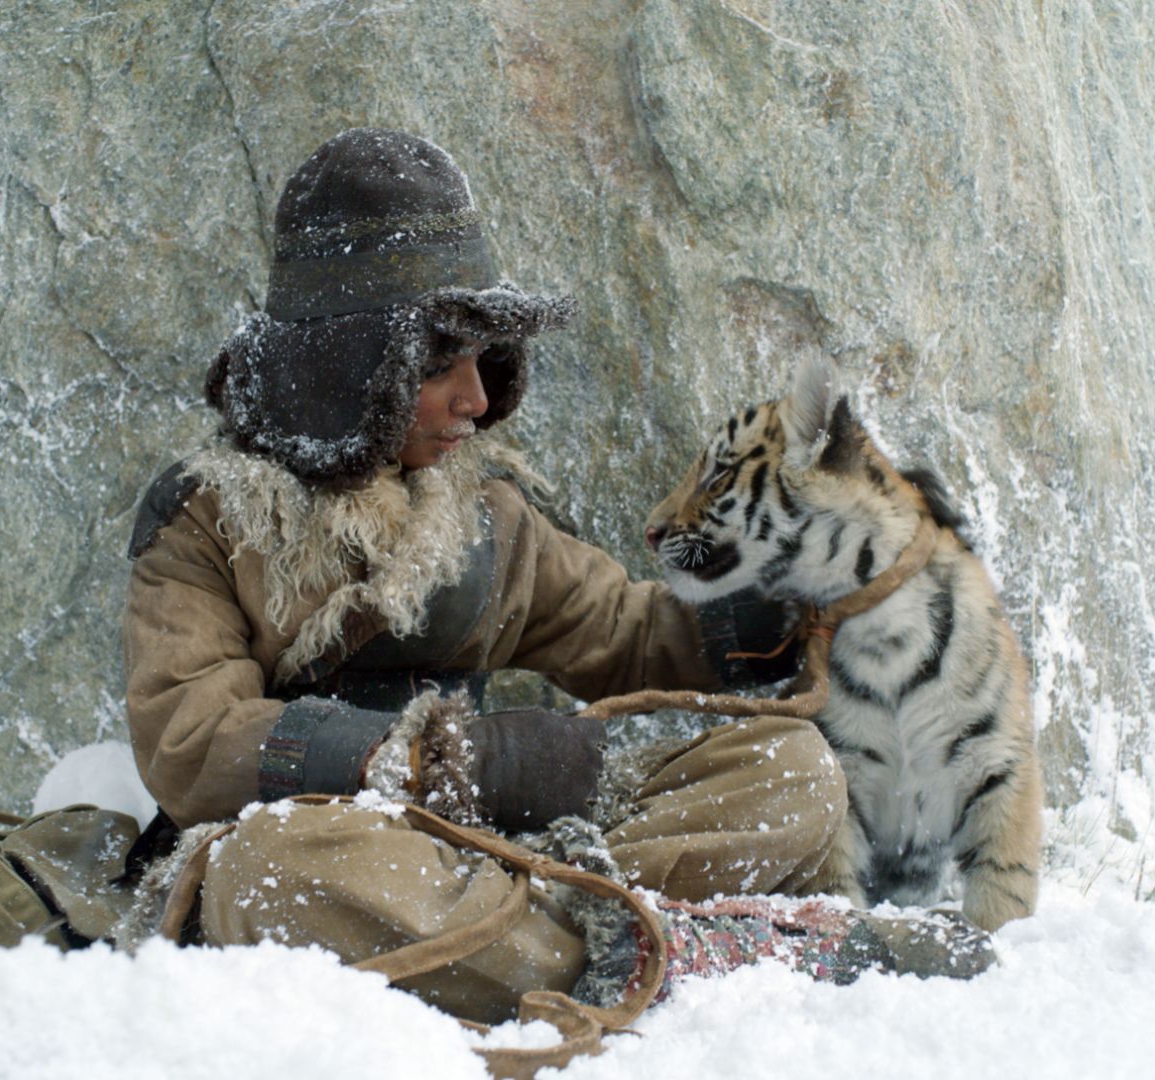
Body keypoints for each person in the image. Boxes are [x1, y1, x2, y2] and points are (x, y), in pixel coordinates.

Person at [122, 129, 985, 1023]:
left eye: (484, 364)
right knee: (267, 876)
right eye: (439, 368)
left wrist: (786, 603)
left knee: (793, 766)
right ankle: (694, 948)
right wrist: (450, 760)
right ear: (350, 368)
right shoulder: (205, 520)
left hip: (499, 849)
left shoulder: (486, 511)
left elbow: (622, 630)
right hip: (343, 844)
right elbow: (192, 739)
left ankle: (551, 944)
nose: (478, 402)